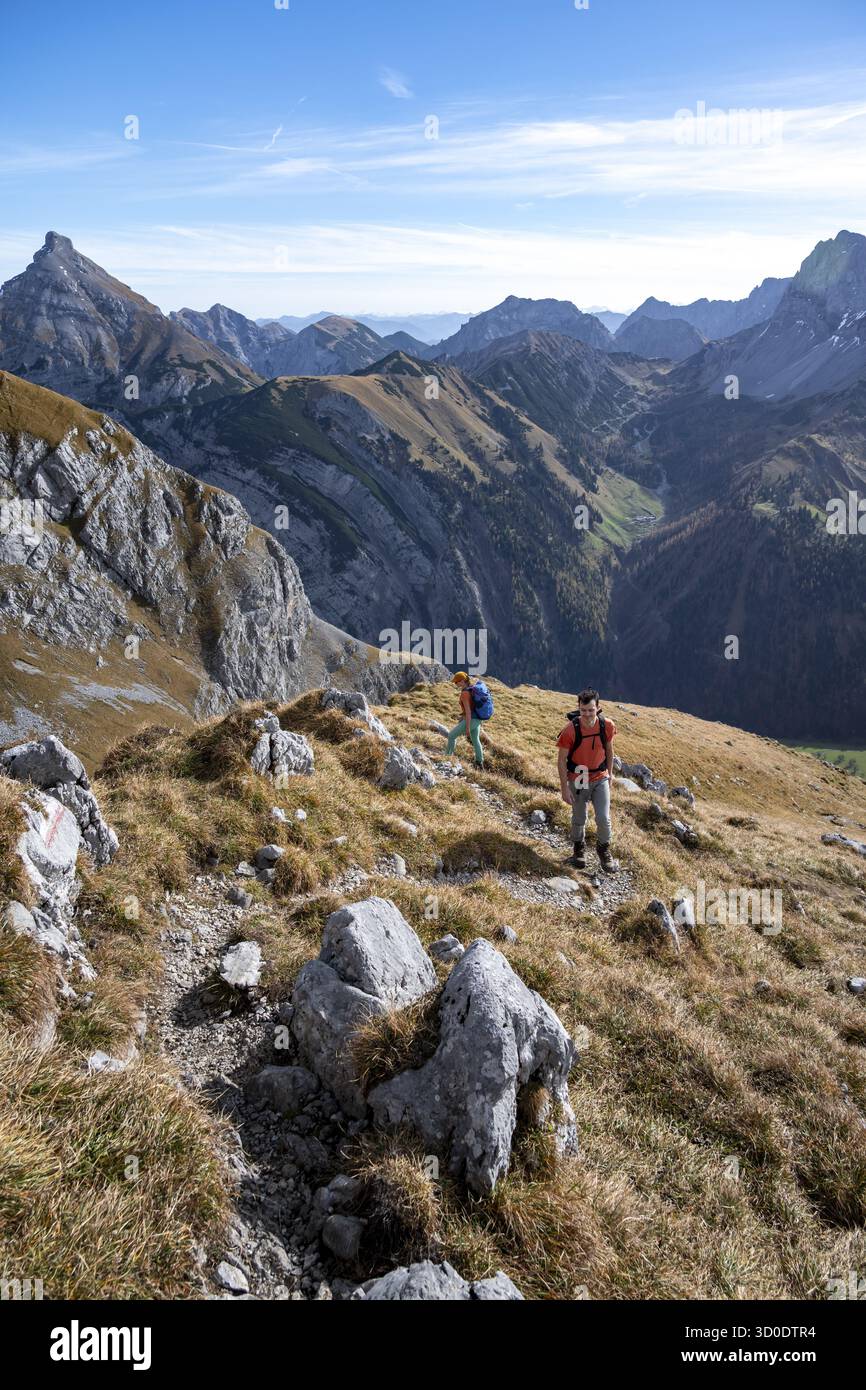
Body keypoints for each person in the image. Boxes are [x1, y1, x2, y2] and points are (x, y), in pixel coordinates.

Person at [556, 688, 617, 871]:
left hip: (600, 777)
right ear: (579, 708)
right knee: (579, 817)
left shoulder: (607, 726)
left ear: (598, 708)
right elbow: (561, 760)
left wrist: (611, 773)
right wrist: (564, 788)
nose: (587, 714)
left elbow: (609, 750)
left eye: (591, 710)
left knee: (603, 818)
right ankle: (578, 852)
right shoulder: (570, 731)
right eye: (583, 711)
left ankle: (604, 851)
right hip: (579, 777)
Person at [445, 671, 492, 768]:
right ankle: (479, 763)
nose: (455, 684)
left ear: (462, 681)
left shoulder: (465, 694)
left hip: (472, 719)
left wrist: (467, 728)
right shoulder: (471, 689)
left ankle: (447, 758)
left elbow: (468, 711)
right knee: (475, 740)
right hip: (478, 719)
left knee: (451, 736)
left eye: (456, 682)